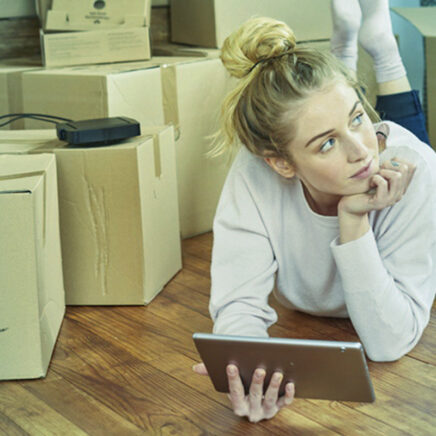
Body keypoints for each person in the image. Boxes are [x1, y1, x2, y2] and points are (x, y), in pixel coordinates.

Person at [193, 0, 436, 424]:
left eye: (358, 117)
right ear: (280, 163)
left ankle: (375, 44)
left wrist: (354, 220)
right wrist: (247, 371)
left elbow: (388, 343)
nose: (361, 150)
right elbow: (238, 307)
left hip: (415, 178)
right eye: (326, 143)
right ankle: (348, 45)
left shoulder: (416, 167)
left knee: (408, 143)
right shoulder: (254, 174)